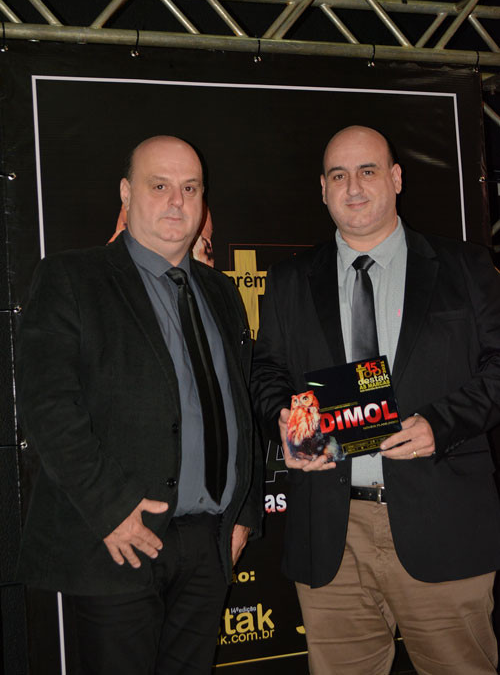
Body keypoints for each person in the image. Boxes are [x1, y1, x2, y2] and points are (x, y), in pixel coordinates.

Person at [252, 125, 500, 674]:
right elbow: (266, 372)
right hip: (330, 534)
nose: (354, 187)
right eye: (339, 175)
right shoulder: (290, 279)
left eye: (367, 171)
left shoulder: (465, 266)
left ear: (396, 178)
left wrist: (442, 423)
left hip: (443, 524)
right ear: (322, 188)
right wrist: (285, 422)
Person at [17, 135, 262, 675]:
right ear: (126, 194)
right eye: (159, 186)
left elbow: (239, 409)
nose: (177, 201)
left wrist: (243, 511)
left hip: (209, 543)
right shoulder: (70, 278)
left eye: (190, 188)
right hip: (118, 543)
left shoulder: (222, 293)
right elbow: (49, 408)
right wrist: (111, 511)